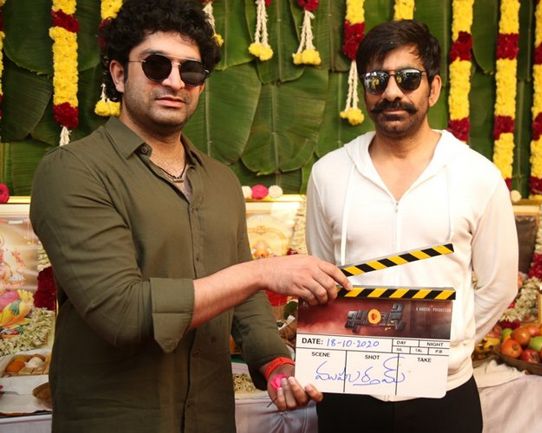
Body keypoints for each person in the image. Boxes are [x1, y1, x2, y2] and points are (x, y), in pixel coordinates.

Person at [29, 1, 350, 432]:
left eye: (191, 71)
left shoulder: (219, 181)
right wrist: (261, 272)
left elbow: (244, 298)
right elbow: (121, 312)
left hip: (210, 417)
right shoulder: (73, 171)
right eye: (156, 65)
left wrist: (274, 362)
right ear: (119, 75)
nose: (175, 81)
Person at [306, 20, 518, 433]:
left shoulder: (478, 175)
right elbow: (323, 274)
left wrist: (446, 346)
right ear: (364, 90)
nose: (391, 92)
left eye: (407, 78)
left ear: (433, 88)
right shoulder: (328, 174)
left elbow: (500, 285)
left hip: (445, 395)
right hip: (349, 390)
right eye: (376, 80)